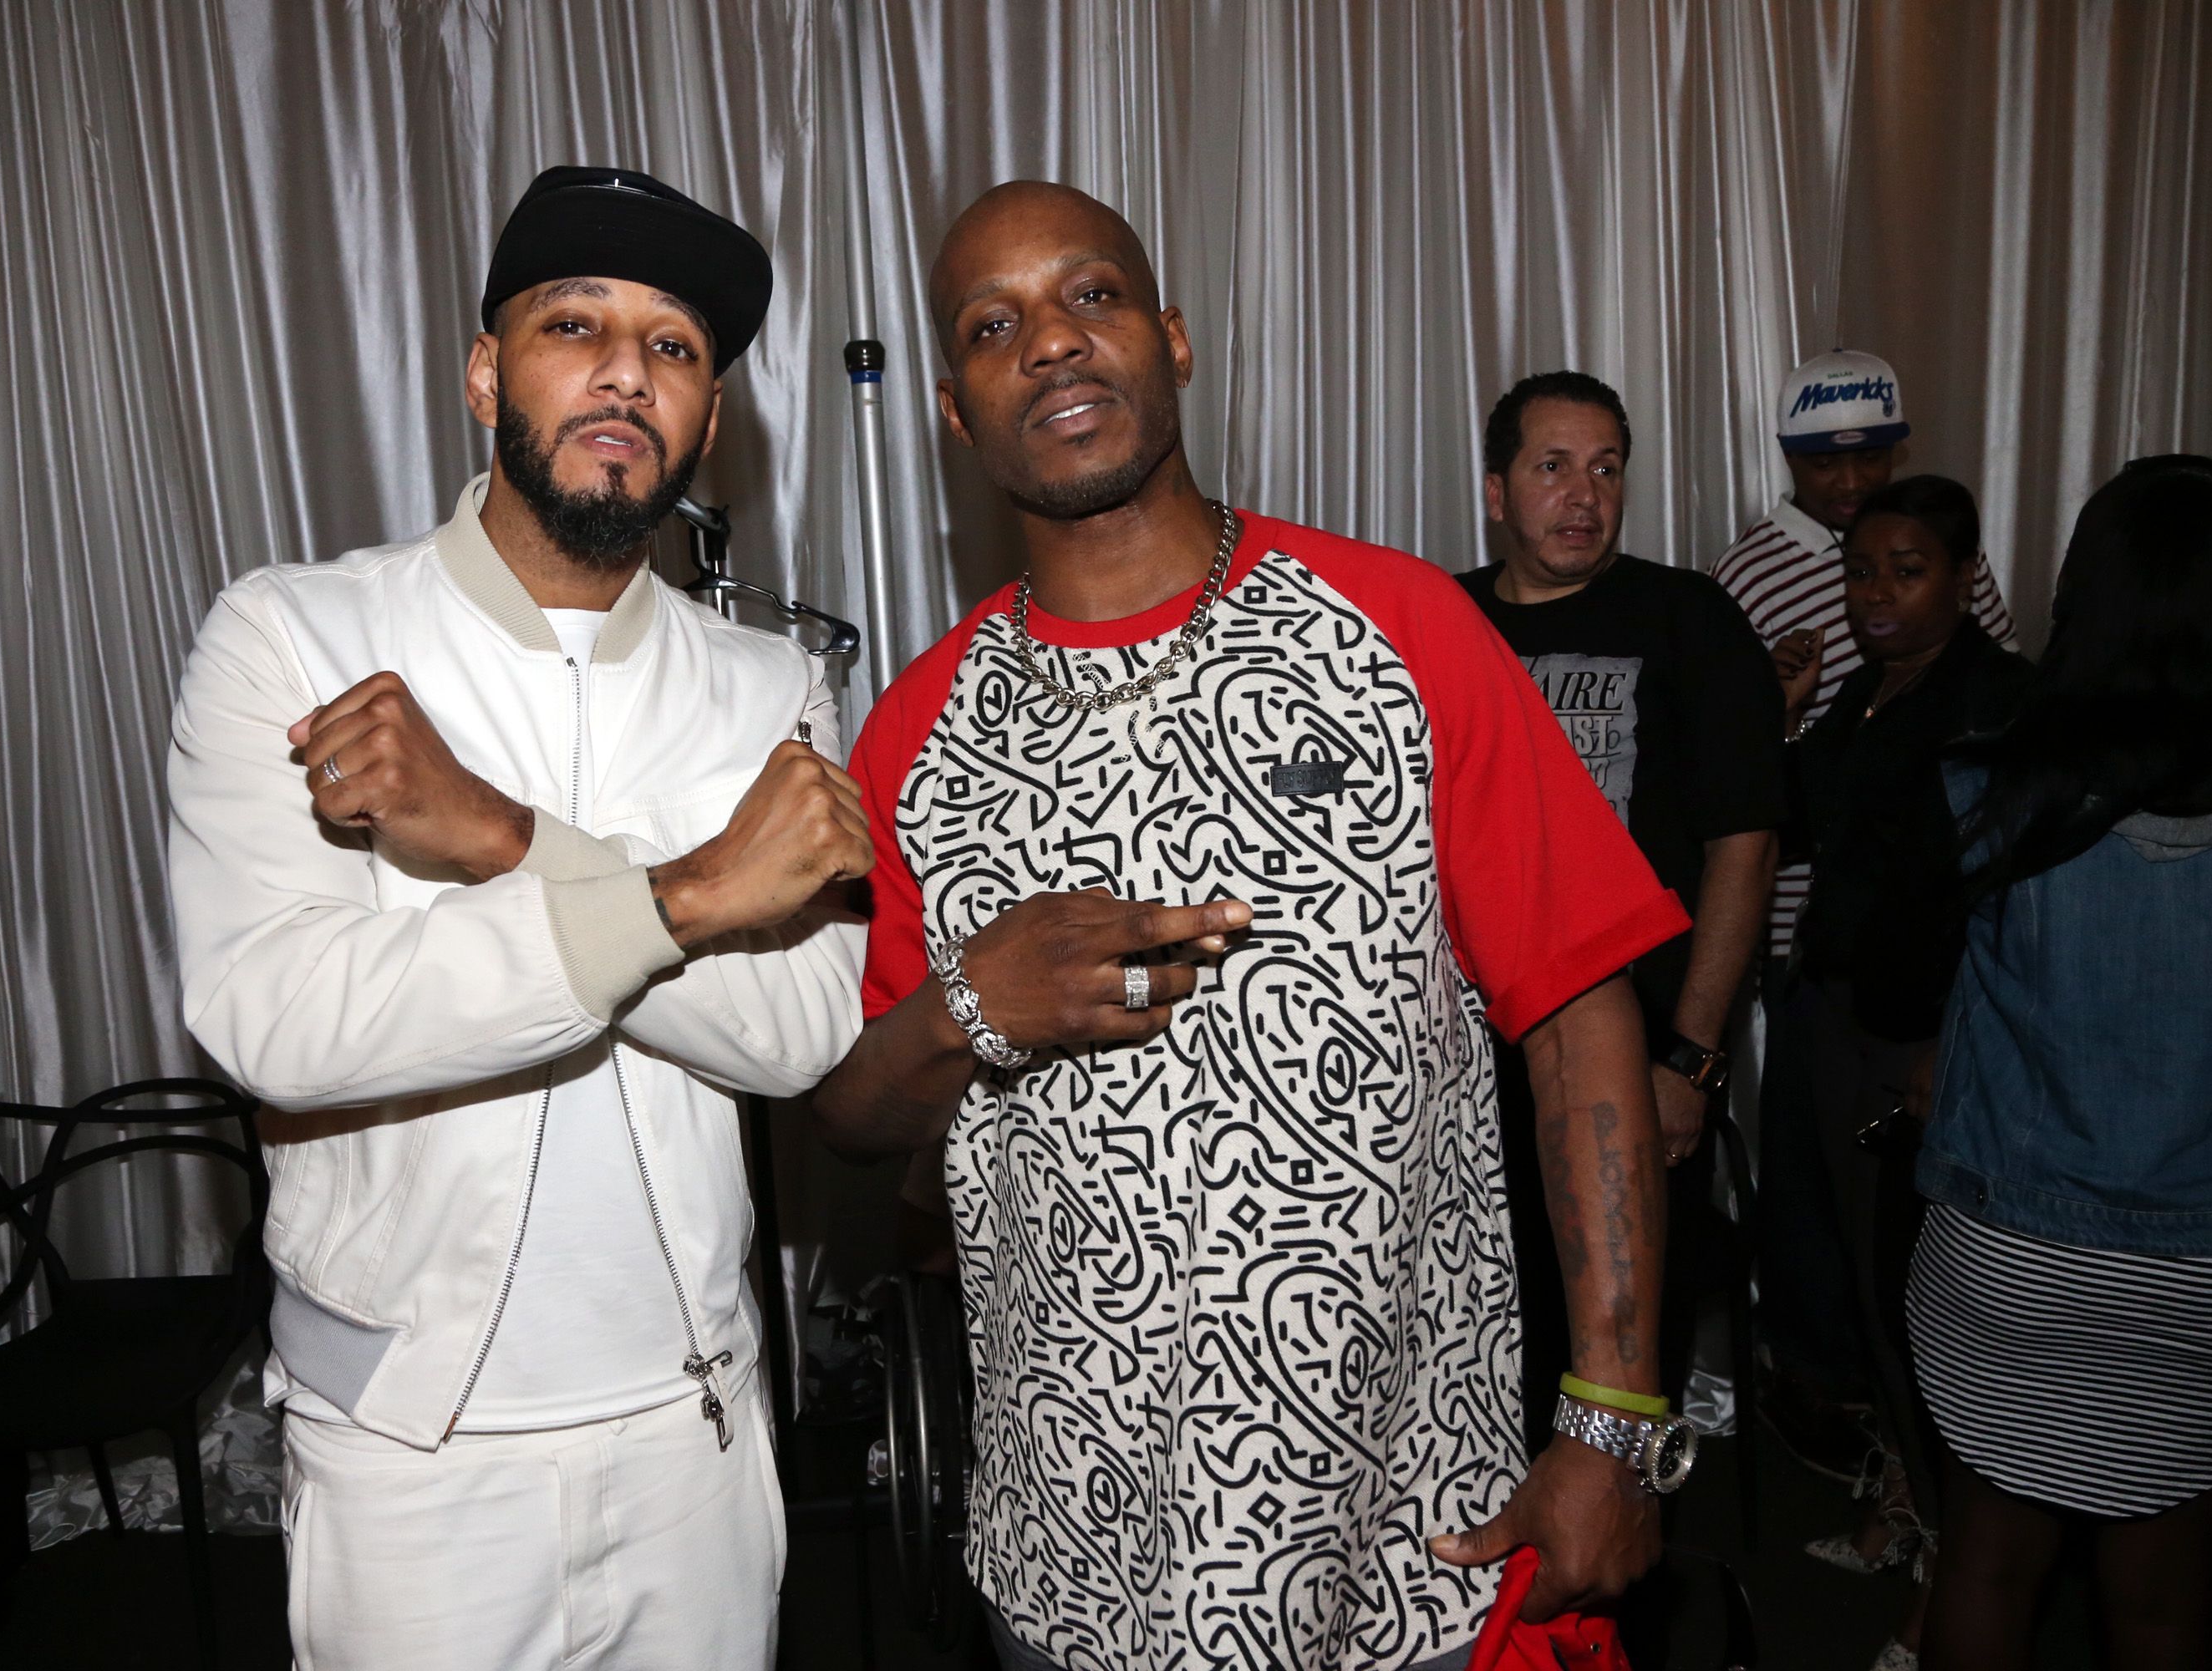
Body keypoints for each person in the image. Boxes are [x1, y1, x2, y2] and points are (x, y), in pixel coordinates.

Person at [812, 180, 1694, 1671]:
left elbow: (1576, 1009)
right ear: (957, 418)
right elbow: (846, 1109)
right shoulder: (914, 735)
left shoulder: (1399, 627)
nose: (1051, 344)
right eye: (991, 325)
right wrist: (978, 1003)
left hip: (1409, 1525)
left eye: (1091, 297)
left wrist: (1615, 1411)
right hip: (1081, 1548)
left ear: (1172, 338)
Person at [165, 167, 872, 1671]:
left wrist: (500, 840)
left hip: (696, 1435)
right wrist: (693, 899)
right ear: (488, 371)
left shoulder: (769, 688)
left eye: (675, 349)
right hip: (415, 1456)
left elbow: (801, 1033)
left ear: (709, 420)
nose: (626, 371)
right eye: (575, 325)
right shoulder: (295, 633)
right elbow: (281, 1021)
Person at [1909, 455, 2212, 1671]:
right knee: (2170, 1609)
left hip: (2012, 1250)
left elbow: (1894, 977)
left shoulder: (1994, 785)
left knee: (1984, 1565)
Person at [1457, 371, 1784, 1445]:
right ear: (1498, 489)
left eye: (1606, 468)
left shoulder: (1688, 619)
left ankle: (1613, 1597)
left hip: (1637, 1062)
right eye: (1552, 466)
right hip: (1466, 1066)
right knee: (1479, 1355)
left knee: (1615, 1374)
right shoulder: (1444, 625)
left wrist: (1691, 1059)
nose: (1584, 494)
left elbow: (1745, 843)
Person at [1712, 352, 2014, 1469]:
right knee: (1816, 1203)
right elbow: (1782, 792)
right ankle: (1858, 1431)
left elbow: (1983, 860)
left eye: (1869, 456)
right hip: (1815, 959)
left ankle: (1931, 1471)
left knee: (1903, 1237)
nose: (1878, 591)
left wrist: (1958, 1023)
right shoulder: (1805, 635)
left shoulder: (1971, 675)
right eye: (1823, 461)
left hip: (1914, 1000)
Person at [1782, 475, 2033, 1670]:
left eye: (1905, 570)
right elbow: (1806, 826)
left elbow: (2011, 909)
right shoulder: (1868, 692)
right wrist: (1789, 720)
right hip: (1843, 1025)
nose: (1874, 594)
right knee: (1866, 1284)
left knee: (1926, 1301)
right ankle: (1908, 1506)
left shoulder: (1995, 706)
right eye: (1861, 570)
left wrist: (1957, 1048)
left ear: (1962, 575)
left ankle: (1957, 1552)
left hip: (1926, 1047)